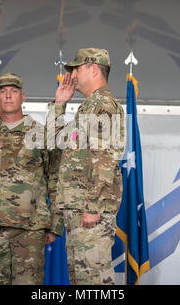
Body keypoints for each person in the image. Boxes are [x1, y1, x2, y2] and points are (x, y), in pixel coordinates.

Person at [47, 48, 125, 285]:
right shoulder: (87, 108)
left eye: (76, 68)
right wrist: (59, 104)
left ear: (93, 69)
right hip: (78, 211)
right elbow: (54, 142)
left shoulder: (104, 105)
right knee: (82, 281)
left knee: (94, 281)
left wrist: (92, 206)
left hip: (90, 212)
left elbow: (105, 159)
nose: (71, 75)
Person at [0, 72, 62, 285]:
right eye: (3, 91)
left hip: (30, 228)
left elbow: (55, 177)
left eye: (14, 91)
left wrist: (55, 225)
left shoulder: (40, 135)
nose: (8, 96)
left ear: (23, 97)